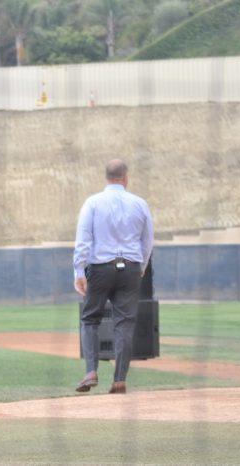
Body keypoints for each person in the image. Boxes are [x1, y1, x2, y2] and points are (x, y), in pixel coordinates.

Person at [72, 159, 153, 395]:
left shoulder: (93, 203)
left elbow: (83, 240)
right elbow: (147, 242)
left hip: (101, 267)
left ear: (106, 177)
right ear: (126, 178)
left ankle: (91, 371)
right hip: (130, 267)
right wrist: (141, 267)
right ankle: (119, 380)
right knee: (124, 324)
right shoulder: (140, 204)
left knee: (90, 319)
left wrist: (79, 271)